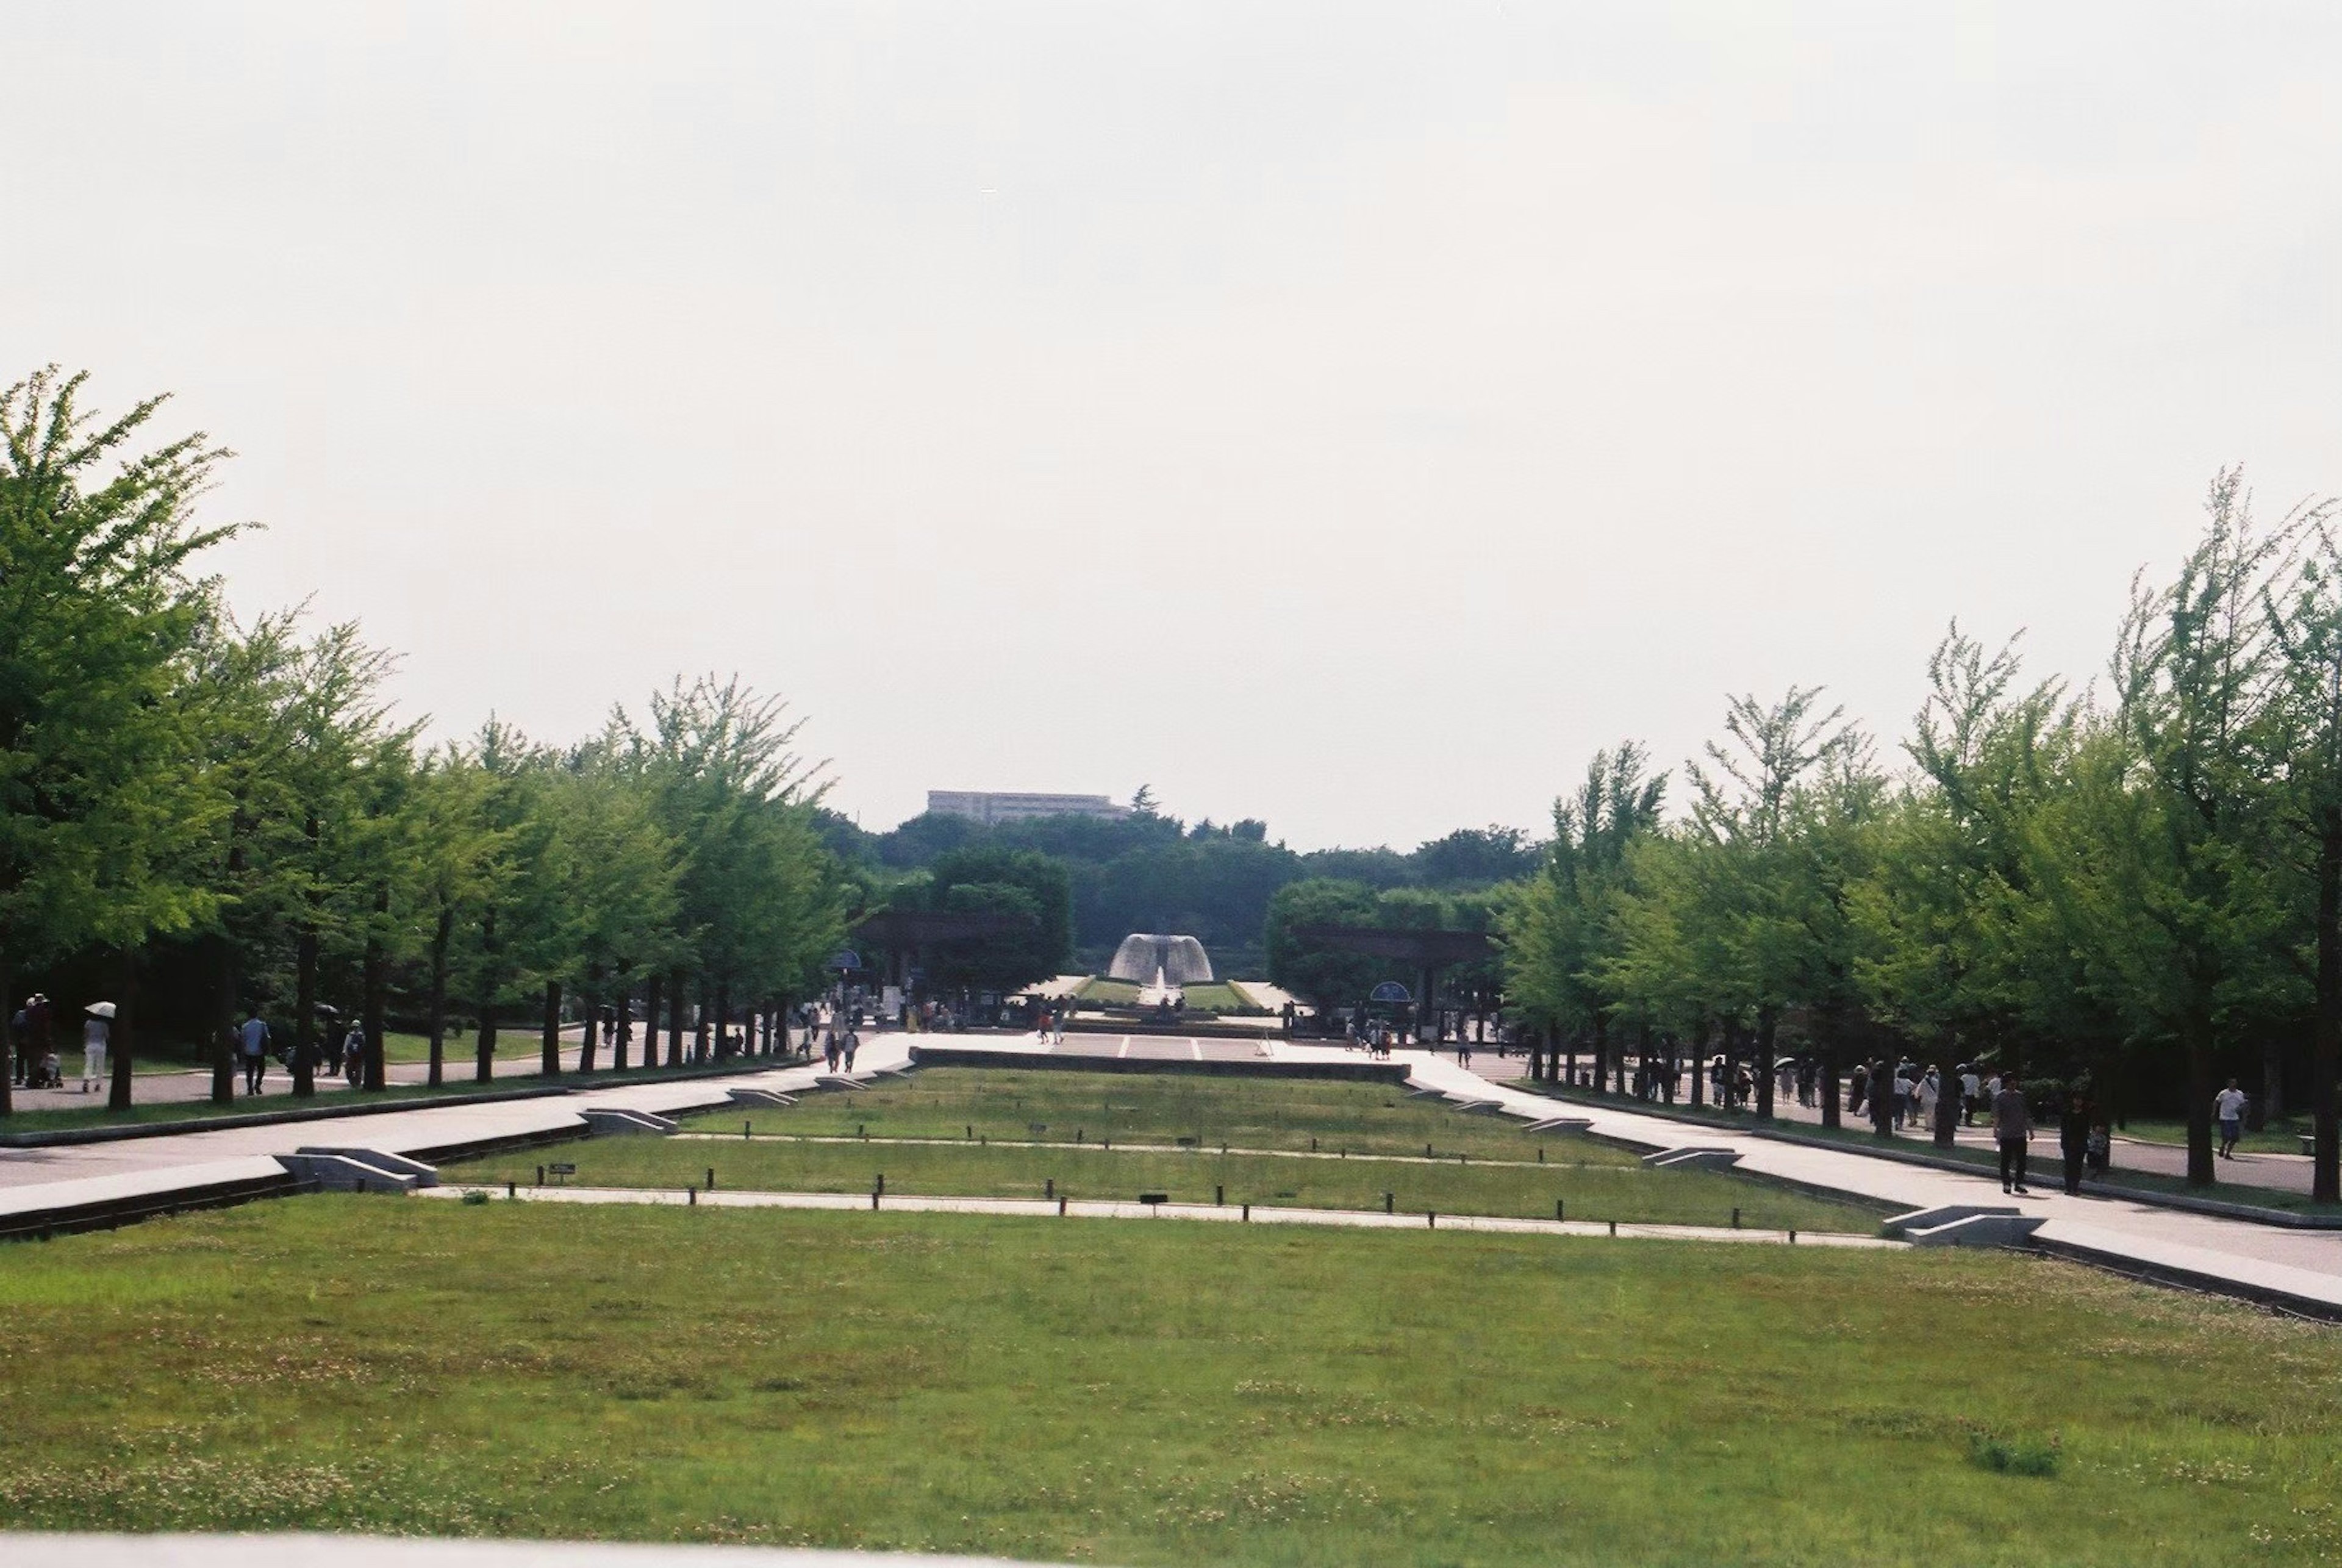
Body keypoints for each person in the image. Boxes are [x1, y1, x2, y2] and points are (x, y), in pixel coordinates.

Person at [1993, 1072, 2032, 1194]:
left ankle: (2019, 1183)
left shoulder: (2021, 1097)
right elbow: (1997, 1115)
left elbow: (2026, 1115)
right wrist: (1996, 1129)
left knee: (2022, 1161)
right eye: (2010, 1081)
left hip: (2020, 1133)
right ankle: (2006, 1184)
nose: (2013, 1083)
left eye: (2015, 1080)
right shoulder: (2000, 1097)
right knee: (2006, 1160)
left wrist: (2030, 1130)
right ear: (2006, 1083)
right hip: (2006, 1133)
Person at [2060, 1091, 2093, 1195]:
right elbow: (2063, 1129)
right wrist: (2064, 1141)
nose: (2078, 1101)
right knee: (2069, 1165)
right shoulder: (2067, 1113)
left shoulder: (2085, 1114)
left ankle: (2076, 1187)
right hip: (2068, 1143)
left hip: (2081, 1143)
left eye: (2080, 1100)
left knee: (2078, 1166)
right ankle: (2068, 1187)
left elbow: (2087, 1129)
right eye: (2076, 1099)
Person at [2215, 1078, 2249, 1159]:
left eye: (2235, 1083)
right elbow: (2216, 1102)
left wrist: (2243, 1114)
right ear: (2228, 1084)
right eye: (2232, 1083)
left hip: (2235, 1118)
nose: (2234, 1084)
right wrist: (2214, 1112)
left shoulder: (2240, 1094)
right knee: (2227, 1136)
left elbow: (2243, 1105)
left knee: (2235, 1138)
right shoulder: (2224, 1093)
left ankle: (2228, 1154)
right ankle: (2223, 1147)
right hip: (2225, 1117)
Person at [240, 1012, 270, 1095]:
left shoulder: (245, 1026)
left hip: (248, 1051)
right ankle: (258, 1084)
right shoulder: (262, 1025)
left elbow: (243, 1040)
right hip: (260, 1051)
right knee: (261, 1070)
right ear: (257, 1015)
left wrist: (242, 1051)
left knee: (250, 1071)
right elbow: (267, 1037)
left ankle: (250, 1089)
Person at [81, 1010, 109, 1094]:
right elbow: (107, 1036)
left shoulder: (88, 1023)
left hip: (90, 1044)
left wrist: (85, 1044)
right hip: (101, 1045)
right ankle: (98, 1084)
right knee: (100, 1065)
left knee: (89, 1064)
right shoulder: (104, 1024)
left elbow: (86, 1035)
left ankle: (86, 1081)